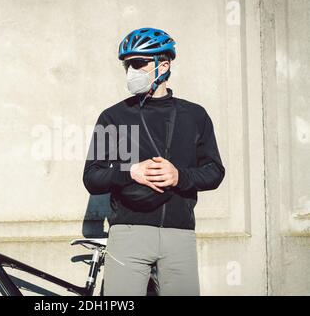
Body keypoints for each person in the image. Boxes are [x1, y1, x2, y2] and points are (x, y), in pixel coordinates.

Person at [82, 28, 225, 296]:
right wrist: (130, 172)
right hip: (128, 233)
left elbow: (215, 171)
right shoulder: (112, 116)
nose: (131, 72)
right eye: (127, 65)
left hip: (179, 235)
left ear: (164, 64)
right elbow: (91, 177)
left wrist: (179, 176)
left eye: (138, 64)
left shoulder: (195, 115)